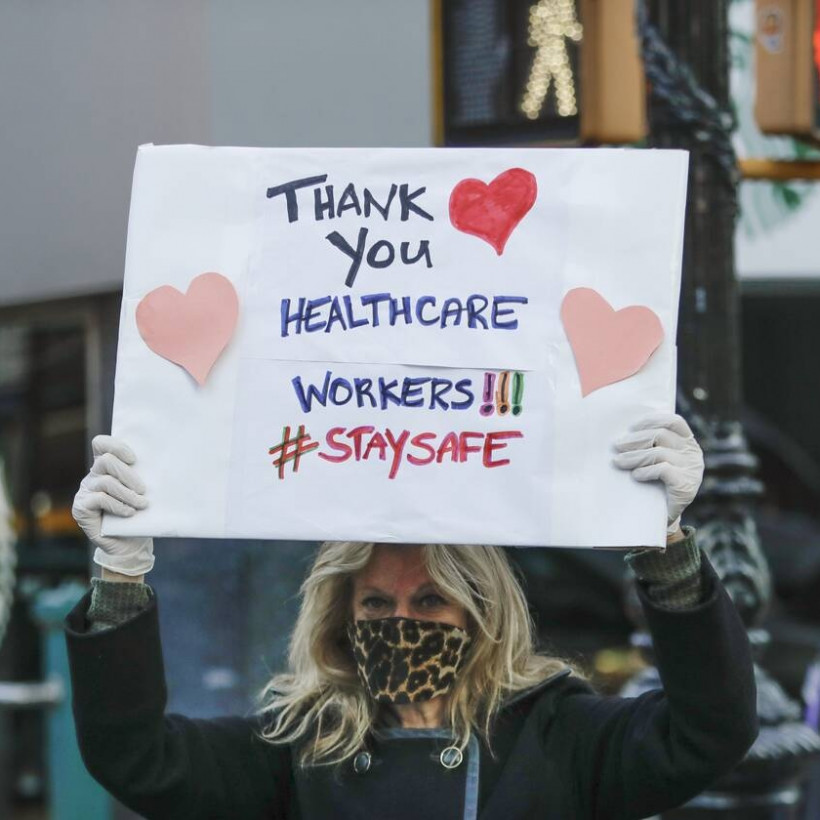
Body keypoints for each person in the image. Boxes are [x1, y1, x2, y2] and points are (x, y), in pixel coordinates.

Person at [66, 413, 757, 820]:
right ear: (342, 620)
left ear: (481, 615)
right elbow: (137, 759)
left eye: (429, 600)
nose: (401, 621)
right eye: (376, 603)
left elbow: (709, 731)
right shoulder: (299, 749)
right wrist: (121, 572)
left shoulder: (559, 737)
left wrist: (664, 546)